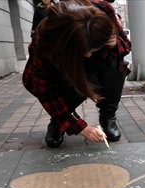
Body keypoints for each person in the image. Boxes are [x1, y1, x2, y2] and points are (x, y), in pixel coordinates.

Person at [22, 0, 131, 148]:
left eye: (94, 49)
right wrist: (79, 126)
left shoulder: (104, 9)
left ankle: (108, 117)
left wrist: (115, 44)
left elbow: (126, 46)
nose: (88, 55)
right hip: (65, 70)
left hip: (99, 68)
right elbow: (41, 86)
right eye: (86, 50)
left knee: (116, 67)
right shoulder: (46, 36)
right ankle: (59, 121)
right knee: (71, 87)